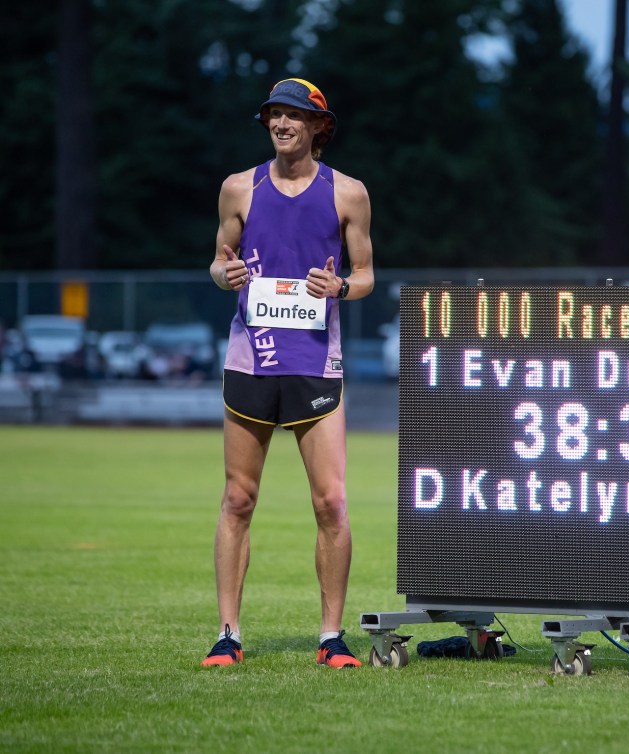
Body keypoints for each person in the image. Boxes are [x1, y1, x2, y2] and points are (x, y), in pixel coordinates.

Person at [202, 79, 374, 667]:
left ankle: (331, 638)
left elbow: (367, 274)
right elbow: (219, 261)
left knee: (331, 502)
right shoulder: (237, 188)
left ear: (318, 126)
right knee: (238, 498)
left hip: (314, 364)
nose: (281, 123)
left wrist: (342, 287)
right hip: (251, 358)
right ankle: (227, 635)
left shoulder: (348, 194)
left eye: (294, 116)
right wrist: (223, 276)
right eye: (274, 114)